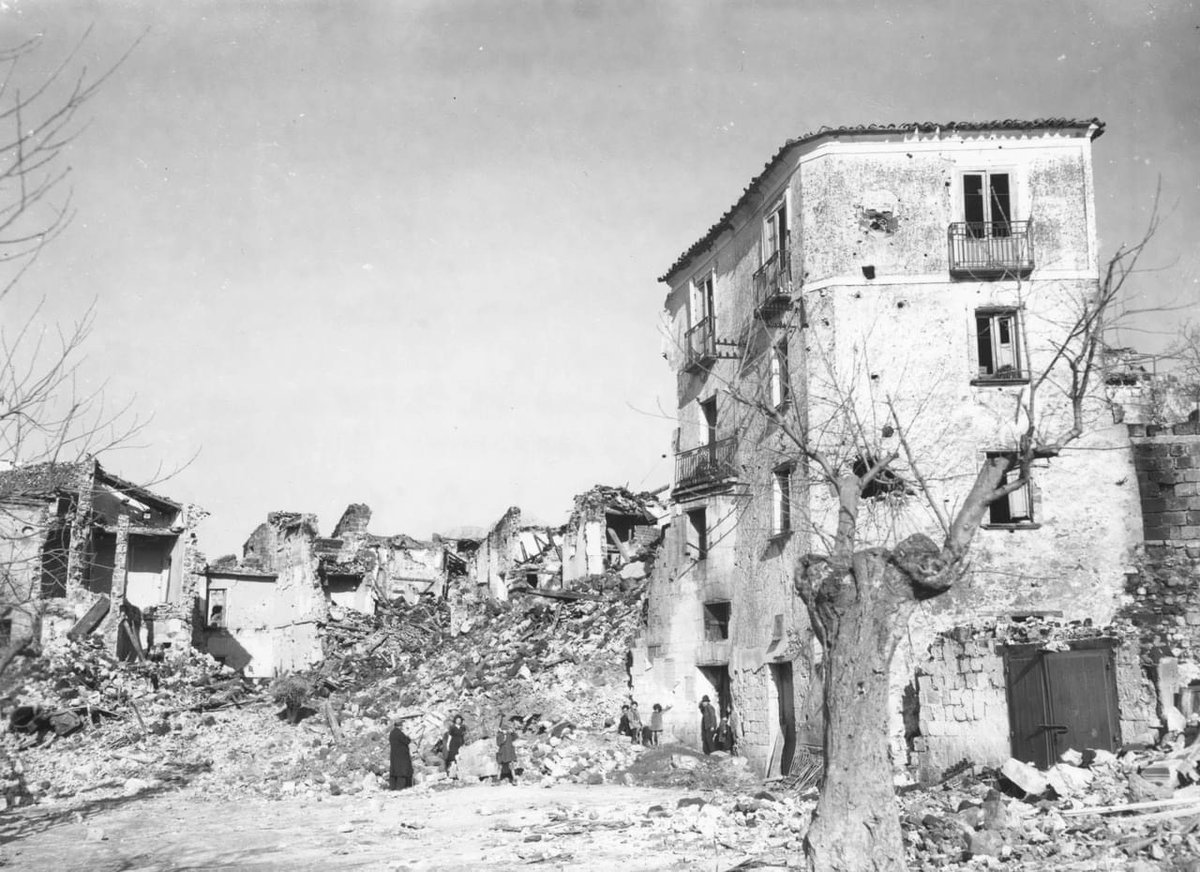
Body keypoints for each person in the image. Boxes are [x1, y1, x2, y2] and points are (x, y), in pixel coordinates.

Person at [387, 717, 413, 790]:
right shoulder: (399, 733)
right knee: (402, 771)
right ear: (400, 725)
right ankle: (402, 787)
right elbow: (406, 741)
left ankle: (393, 787)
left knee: (394, 771)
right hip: (402, 755)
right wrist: (408, 737)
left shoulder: (392, 733)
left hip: (394, 755)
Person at [496, 715, 520, 784]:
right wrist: (503, 735)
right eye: (505, 729)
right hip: (502, 752)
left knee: (511, 766)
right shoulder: (500, 735)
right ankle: (498, 780)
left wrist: (513, 732)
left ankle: (514, 779)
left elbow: (516, 737)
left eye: (506, 729)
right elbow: (498, 743)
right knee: (500, 767)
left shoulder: (510, 734)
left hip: (509, 752)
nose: (505, 731)